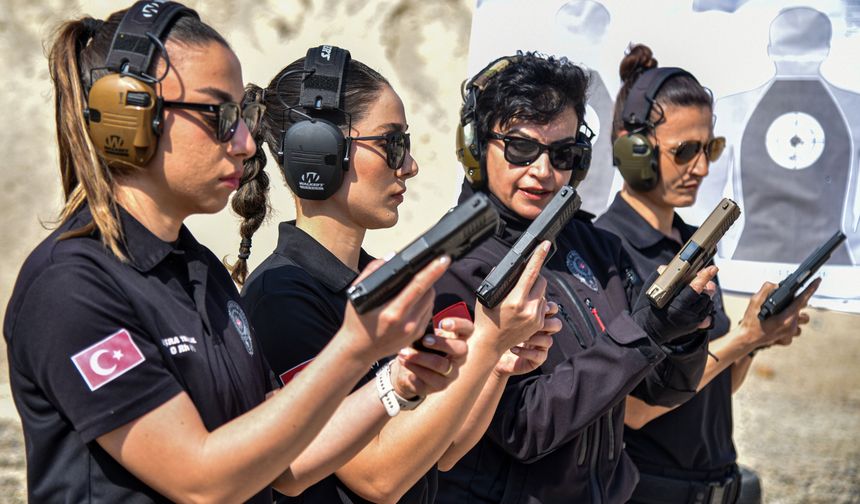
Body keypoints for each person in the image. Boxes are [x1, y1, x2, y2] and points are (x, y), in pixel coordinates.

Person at [3, 4, 450, 502]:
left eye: (246, 117)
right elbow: (200, 481)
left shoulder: (200, 274)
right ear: (129, 115)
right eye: (220, 116)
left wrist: (398, 382)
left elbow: (290, 462)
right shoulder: (70, 288)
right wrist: (355, 347)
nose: (244, 143)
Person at [233, 47, 560, 503]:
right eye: (392, 144)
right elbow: (376, 478)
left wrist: (499, 359)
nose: (409, 165)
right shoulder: (282, 297)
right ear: (320, 153)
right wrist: (487, 340)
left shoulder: (378, 279)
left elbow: (446, 448)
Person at [434, 52, 719, 504]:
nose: (544, 172)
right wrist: (642, 333)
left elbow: (663, 390)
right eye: (520, 148)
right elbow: (524, 426)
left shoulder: (596, 247)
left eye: (563, 154)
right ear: (474, 146)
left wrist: (680, 334)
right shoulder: (454, 267)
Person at [595, 44, 819, 504]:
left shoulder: (693, 244)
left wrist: (757, 338)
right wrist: (744, 339)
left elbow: (718, 385)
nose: (702, 167)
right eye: (685, 151)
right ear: (633, 149)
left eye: (710, 147)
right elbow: (634, 409)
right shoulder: (606, 251)